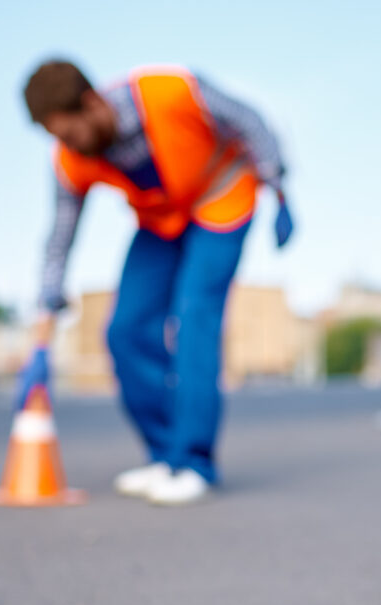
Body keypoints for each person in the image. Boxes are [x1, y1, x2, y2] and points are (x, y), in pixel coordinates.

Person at [19, 59, 293, 506]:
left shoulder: (170, 92)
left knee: (194, 319)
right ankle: (165, 453)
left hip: (221, 198)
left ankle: (194, 462)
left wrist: (278, 183)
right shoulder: (71, 160)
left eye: (69, 133)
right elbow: (59, 237)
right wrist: (47, 305)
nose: (66, 146)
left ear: (91, 103)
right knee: (125, 330)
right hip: (162, 220)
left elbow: (247, 120)